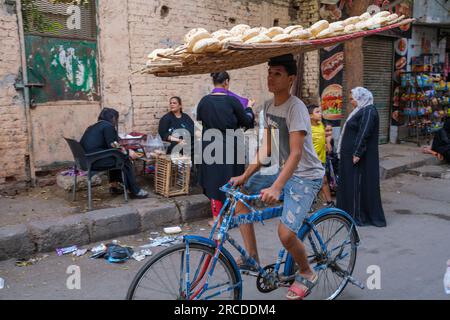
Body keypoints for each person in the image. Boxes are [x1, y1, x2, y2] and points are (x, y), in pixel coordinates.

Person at [230, 54, 325, 300]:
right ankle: (252, 257)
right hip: (285, 171)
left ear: (291, 79)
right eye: (269, 72)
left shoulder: (297, 108)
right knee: (241, 200)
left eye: (278, 74)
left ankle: (306, 272)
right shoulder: (269, 107)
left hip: (306, 176)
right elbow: (267, 148)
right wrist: (245, 175)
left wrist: (276, 187)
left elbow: (294, 154)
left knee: (285, 234)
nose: (271, 78)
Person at [197, 71, 255, 227]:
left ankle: (217, 219)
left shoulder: (204, 101)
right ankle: (231, 217)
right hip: (230, 146)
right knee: (232, 181)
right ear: (226, 82)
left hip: (209, 146)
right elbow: (247, 122)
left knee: (213, 182)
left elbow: (202, 119)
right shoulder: (232, 101)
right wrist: (249, 108)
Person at [336, 87, 386, 227]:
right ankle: (347, 211)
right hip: (349, 155)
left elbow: (365, 132)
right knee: (349, 183)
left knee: (356, 184)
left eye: (353, 98)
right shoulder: (361, 110)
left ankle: (357, 215)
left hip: (356, 156)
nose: (351, 101)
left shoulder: (369, 111)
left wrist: (357, 153)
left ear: (361, 98)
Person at [80, 108, 148, 199]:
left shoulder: (93, 126)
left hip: (84, 160)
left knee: (115, 157)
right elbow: (114, 147)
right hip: (94, 161)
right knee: (124, 159)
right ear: (113, 118)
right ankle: (135, 191)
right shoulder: (108, 126)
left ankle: (114, 186)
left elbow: (109, 146)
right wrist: (128, 153)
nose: (116, 122)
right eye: (116, 119)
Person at [307, 104, 334, 207]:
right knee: (311, 183)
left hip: (321, 160)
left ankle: (329, 202)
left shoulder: (321, 125)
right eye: (317, 112)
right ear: (310, 115)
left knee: (324, 181)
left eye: (320, 112)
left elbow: (325, 139)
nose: (320, 114)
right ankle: (309, 203)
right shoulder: (307, 128)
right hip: (311, 161)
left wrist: (327, 143)